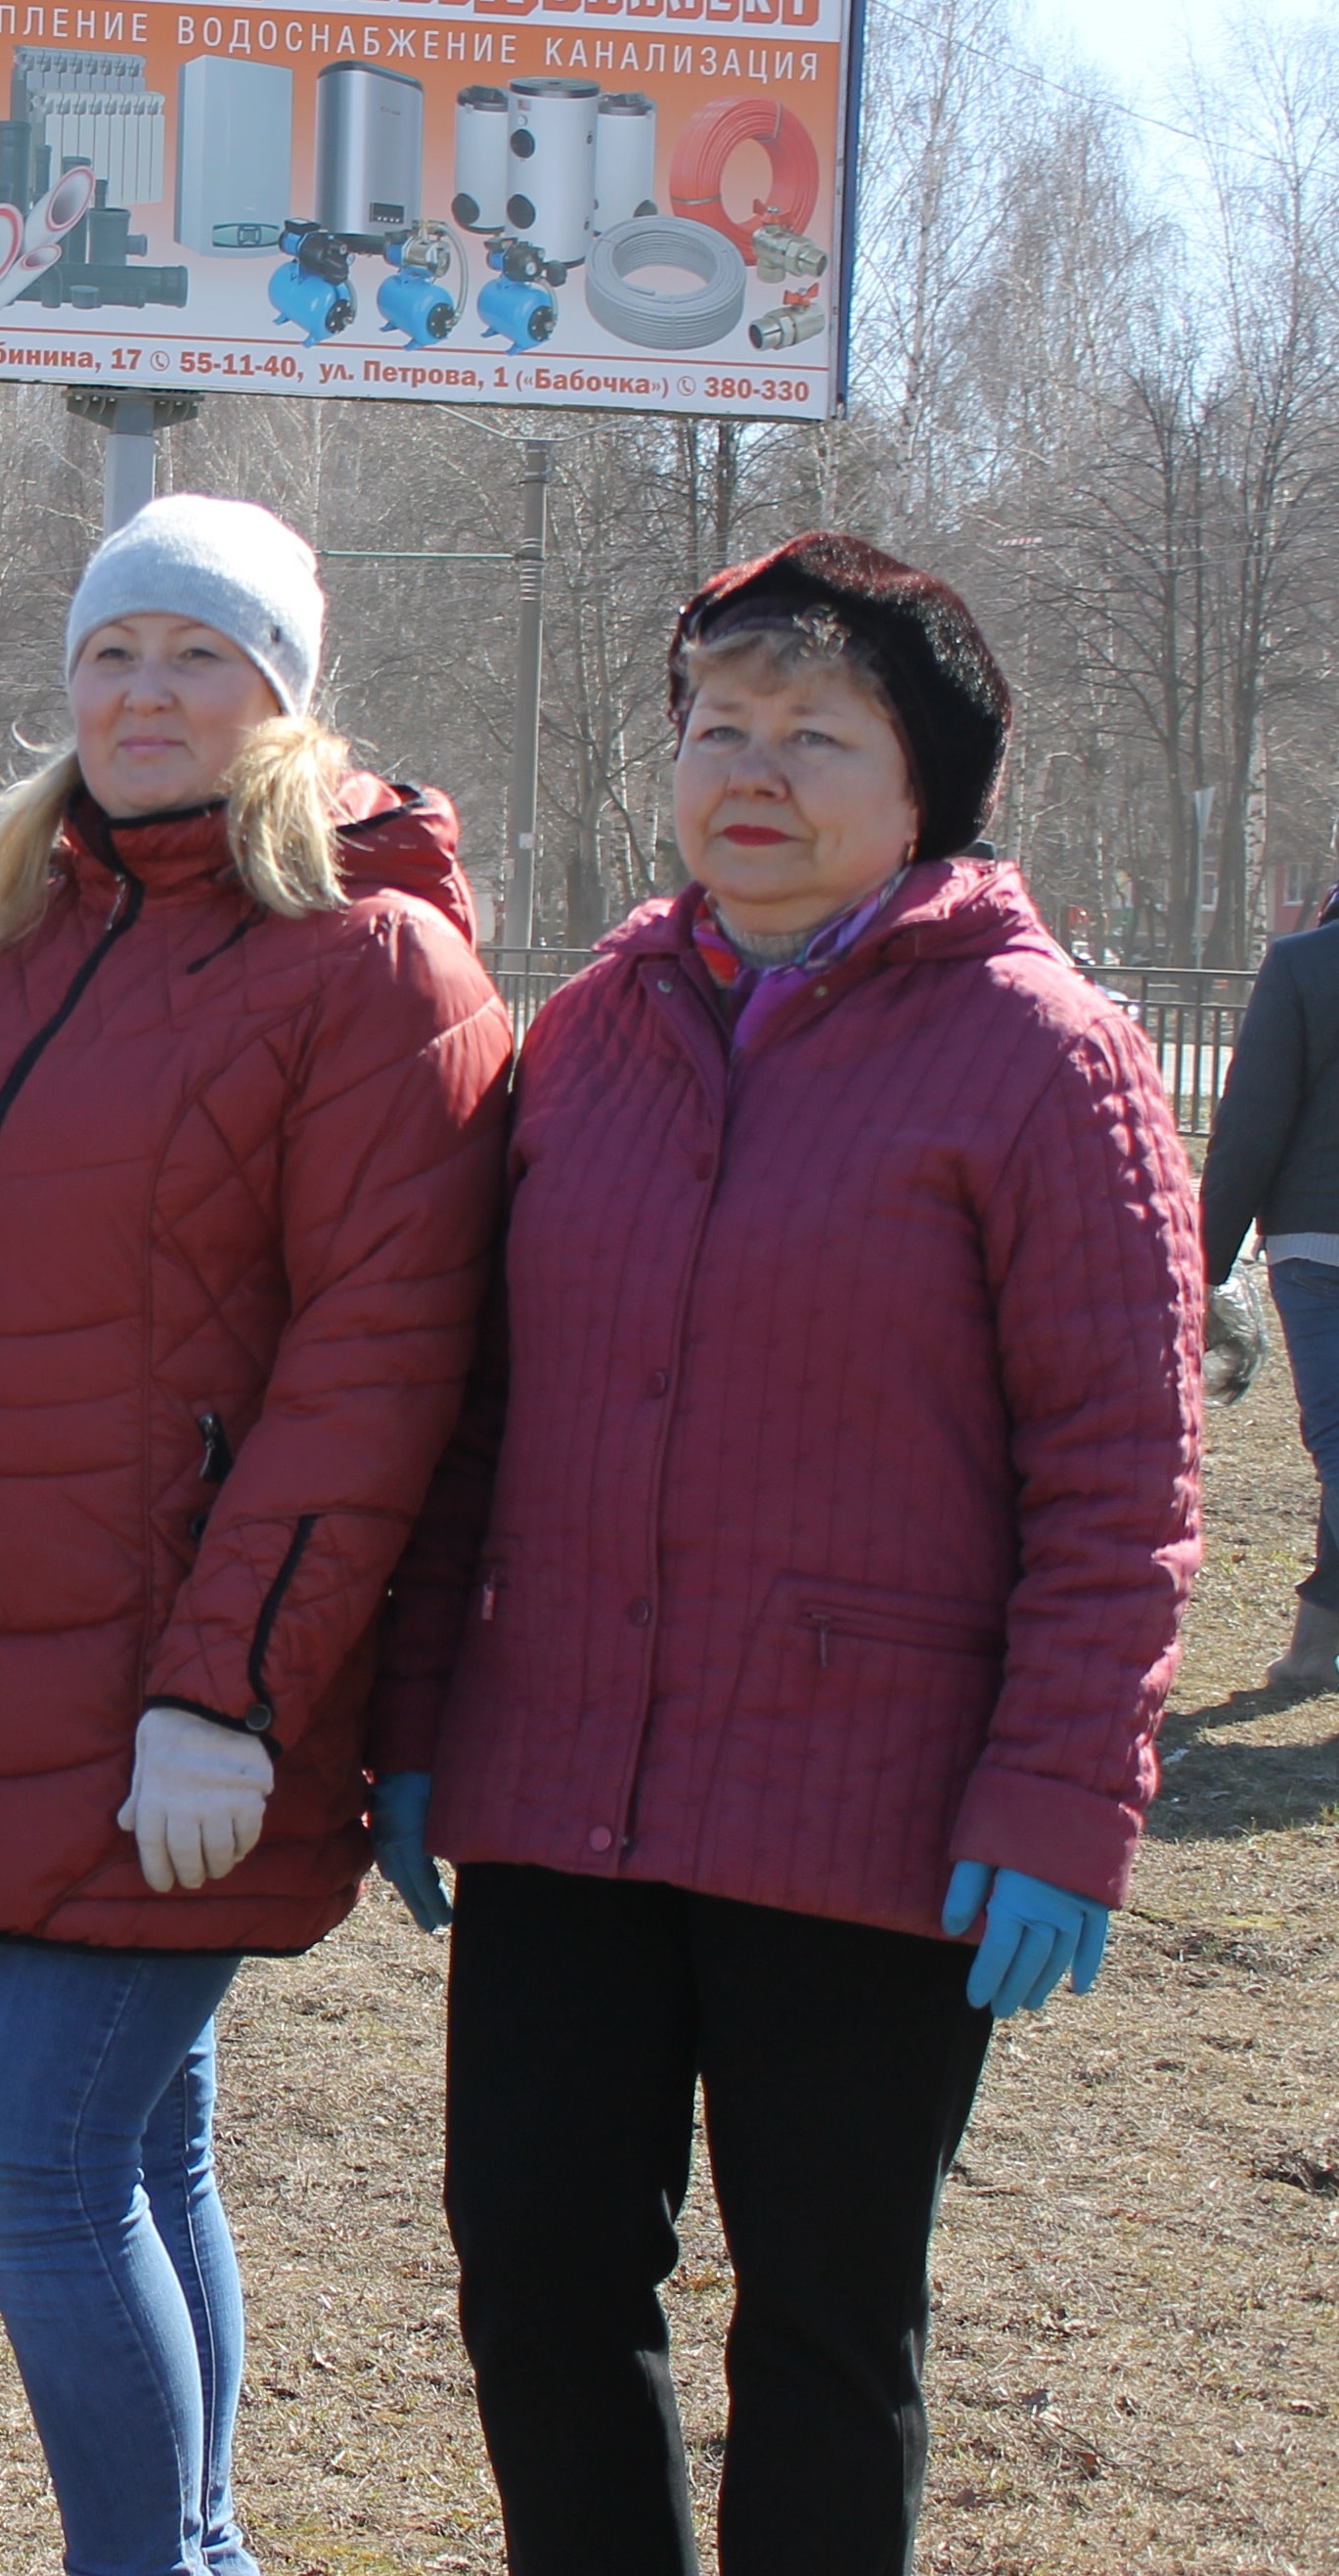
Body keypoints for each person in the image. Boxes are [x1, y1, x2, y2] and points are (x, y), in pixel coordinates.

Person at [372, 535, 1198, 2576]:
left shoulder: (1043, 1052)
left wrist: (1067, 1789)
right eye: (718, 725)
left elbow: (1123, 1469)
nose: (754, 768)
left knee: (825, 2325)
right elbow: (476, 1412)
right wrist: (414, 1714)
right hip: (570, 1784)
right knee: (540, 2275)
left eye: (817, 732)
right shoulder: (595, 1027)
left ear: (926, 784)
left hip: (877, 1813)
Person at [0, 496, 512, 2576]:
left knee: (30, 2142)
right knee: (135, 2139)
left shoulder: (369, 958)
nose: (144, 693)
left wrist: (228, 1694)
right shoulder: (23, 941)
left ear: (284, 686)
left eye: (197, 653)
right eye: (112, 654)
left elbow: (377, 1372)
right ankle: (201, 2545)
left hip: (176, 1691)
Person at [1205, 871, 1339, 1689]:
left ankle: (1314, 1648)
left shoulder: (1302, 966)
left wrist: (1202, 1268)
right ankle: (1314, 1648)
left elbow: (1249, 1126)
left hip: (1317, 1245)